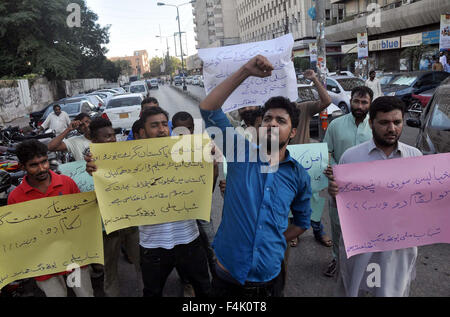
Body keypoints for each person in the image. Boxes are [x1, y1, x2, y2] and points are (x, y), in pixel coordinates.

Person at [200, 55, 312, 297]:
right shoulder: (240, 152)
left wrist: (272, 240)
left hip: (271, 279)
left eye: (280, 120)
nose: (272, 123)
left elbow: (303, 222)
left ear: (292, 132)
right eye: (268, 119)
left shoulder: (299, 175)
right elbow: (208, 110)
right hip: (227, 277)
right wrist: (245, 71)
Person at [86, 108, 212, 297]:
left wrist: (211, 166)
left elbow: (206, 191)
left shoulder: (188, 152)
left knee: (204, 289)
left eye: (164, 124)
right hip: (153, 246)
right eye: (154, 125)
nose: (161, 129)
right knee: (152, 292)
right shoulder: (126, 160)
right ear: (142, 132)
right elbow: (112, 190)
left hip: (188, 239)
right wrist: (98, 170)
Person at [326, 96, 421, 296]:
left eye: (397, 122)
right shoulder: (351, 157)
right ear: (371, 123)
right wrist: (335, 194)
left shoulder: (415, 157)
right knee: (355, 289)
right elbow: (339, 207)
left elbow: (423, 206)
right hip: (362, 249)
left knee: (392, 291)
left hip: (399, 251)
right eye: (384, 122)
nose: (392, 128)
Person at [7, 140, 94, 297]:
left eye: (44, 161)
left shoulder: (66, 183)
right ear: (22, 167)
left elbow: (83, 216)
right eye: (34, 165)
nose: (42, 168)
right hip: (44, 264)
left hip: (73, 258)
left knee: (84, 294)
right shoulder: (15, 197)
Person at [322, 86, 374, 278]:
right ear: (350, 101)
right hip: (339, 188)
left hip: (369, 190)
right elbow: (327, 152)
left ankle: (363, 264)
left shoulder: (375, 126)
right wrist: (337, 170)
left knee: (366, 227)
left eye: (364, 102)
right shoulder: (336, 125)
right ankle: (337, 258)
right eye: (356, 101)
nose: (359, 106)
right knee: (338, 226)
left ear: (370, 104)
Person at [87, 117, 142, 297]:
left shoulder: (127, 156)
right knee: (109, 269)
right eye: (106, 136)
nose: (112, 139)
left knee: (142, 262)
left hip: (131, 221)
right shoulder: (88, 166)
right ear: (95, 140)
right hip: (107, 227)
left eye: (113, 135)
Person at [172, 111, 219, 288]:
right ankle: (187, 281)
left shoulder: (204, 146)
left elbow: (213, 175)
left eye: (189, 128)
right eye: (180, 130)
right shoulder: (165, 149)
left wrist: (205, 197)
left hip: (200, 207)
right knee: (183, 248)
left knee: (210, 243)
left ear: (193, 127)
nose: (185, 133)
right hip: (177, 210)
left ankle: (217, 278)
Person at [288, 69, 333, 249]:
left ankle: (318, 230)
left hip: (306, 165)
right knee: (288, 200)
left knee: (312, 199)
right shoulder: (272, 114)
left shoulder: (302, 109)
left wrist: (314, 79)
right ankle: (294, 231)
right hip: (284, 165)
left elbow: (326, 101)